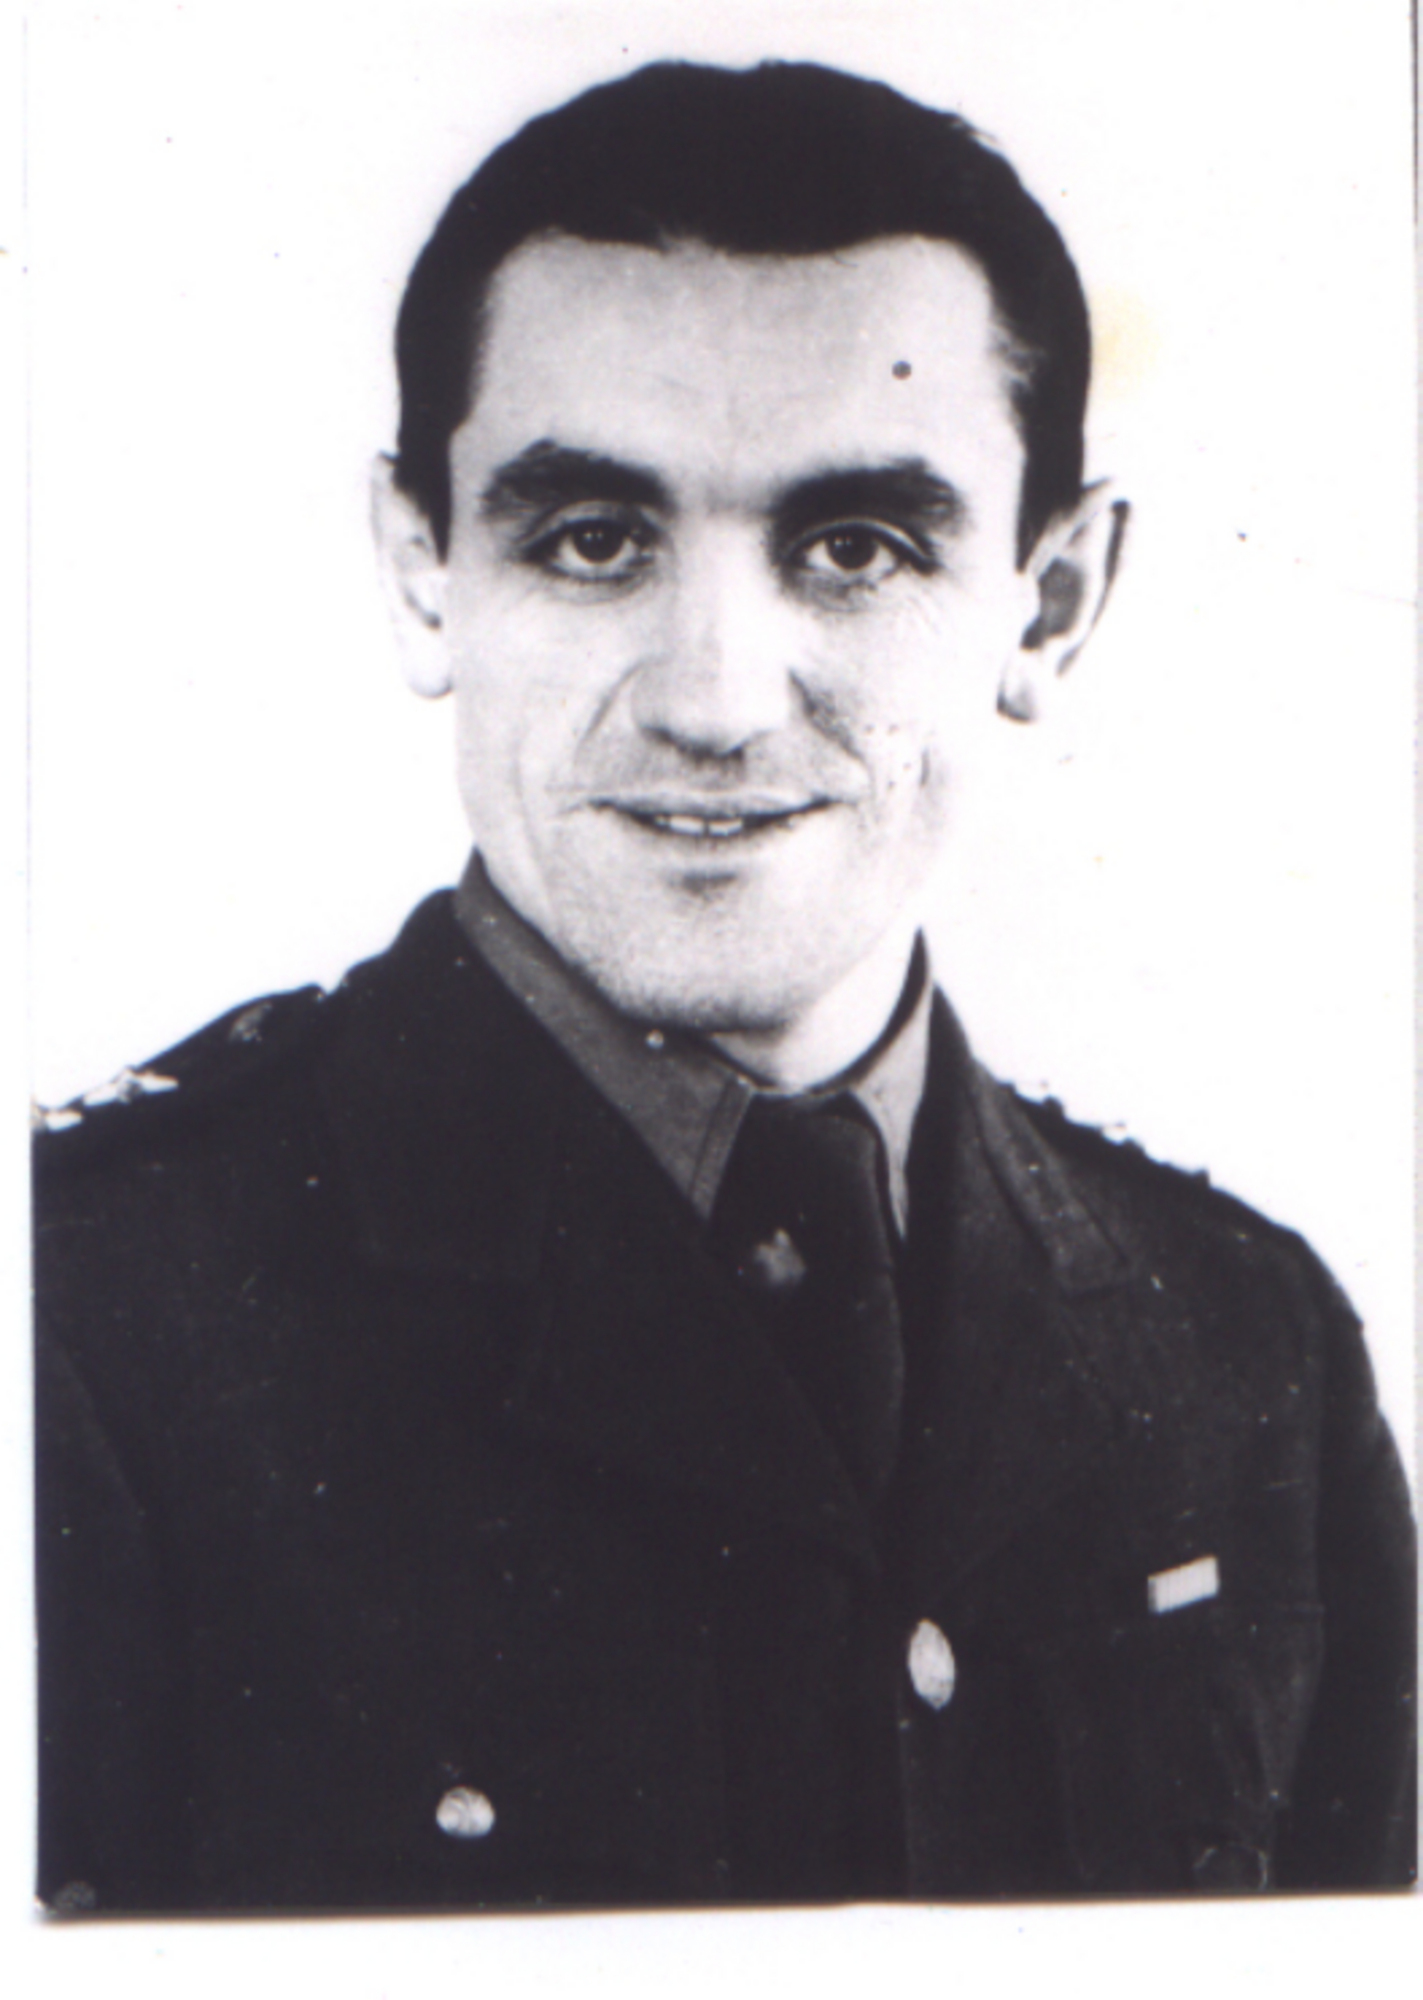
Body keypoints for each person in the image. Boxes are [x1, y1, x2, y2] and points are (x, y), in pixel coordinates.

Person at [33, 60, 1415, 1914]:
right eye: (591, 540)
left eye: (856, 549)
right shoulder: (79, 1328)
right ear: (424, 572)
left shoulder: (1251, 1352)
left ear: (1052, 602)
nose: (711, 699)